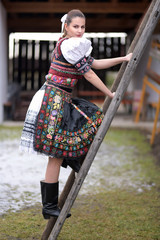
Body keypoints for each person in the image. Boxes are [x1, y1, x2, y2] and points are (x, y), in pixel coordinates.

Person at [20, 9, 132, 220]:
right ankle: (49, 206)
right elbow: (89, 73)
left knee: (92, 117)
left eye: (83, 27)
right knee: (54, 157)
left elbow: (95, 64)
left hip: (62, 99)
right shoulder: (68, 45)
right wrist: (110, 93)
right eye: (76, 27)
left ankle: (72, 157)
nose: (80, 31)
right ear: (67, 27)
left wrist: (123, 58)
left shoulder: (73, 45)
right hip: (52, 101)